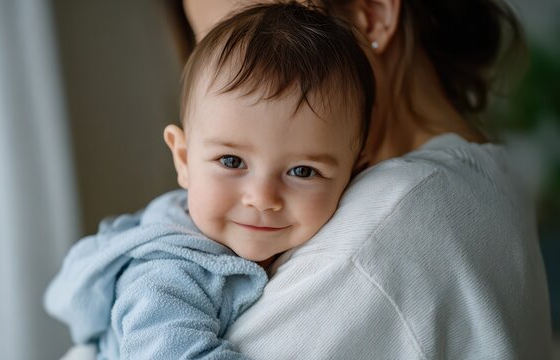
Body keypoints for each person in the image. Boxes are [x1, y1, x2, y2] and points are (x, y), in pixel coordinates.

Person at [172, 0, 553, 359]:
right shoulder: (490, 176)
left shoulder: (385, 226)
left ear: (371, 14)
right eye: (213, 43)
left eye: (263, 32)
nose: (235, 78)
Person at [44, 3, 374, 359]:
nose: (262, 197)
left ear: (353, 173)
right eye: (232, 161)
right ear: (183, 159)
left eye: (303, 171)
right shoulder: (166, 274)